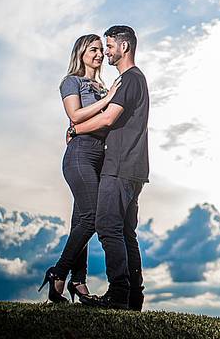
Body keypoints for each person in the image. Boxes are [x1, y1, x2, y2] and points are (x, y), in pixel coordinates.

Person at [71, 25, 150, 310]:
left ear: (124, 47)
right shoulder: (135, 79)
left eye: (110, 46)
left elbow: (108, 119)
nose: (106, 52)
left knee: (106, 227)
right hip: (134, 169)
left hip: (120, 166)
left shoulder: (129, 79)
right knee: (126, 232)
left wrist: (76, 129)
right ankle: (133, 297)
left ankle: (118, 295)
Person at [39, 34, 121, 303]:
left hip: (100, 156)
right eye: (94, 49)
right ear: (81, 52)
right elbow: (74, 115)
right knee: (93, 216)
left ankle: (77, 281)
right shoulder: (71, 82)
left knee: (80, 221)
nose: (99, 54)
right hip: (79, 154)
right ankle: (59, 273)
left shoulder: (102, 85)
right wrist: (108, 98)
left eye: (101, 50)